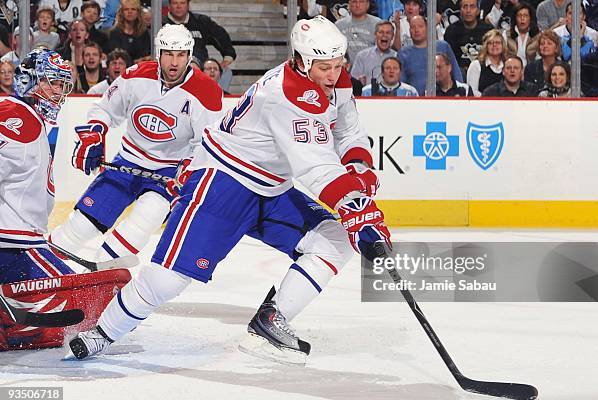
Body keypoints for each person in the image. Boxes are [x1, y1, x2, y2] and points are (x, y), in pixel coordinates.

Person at [66, 15, 391, 365]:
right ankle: (103, 331)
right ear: (301, 60)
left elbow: (347, 130)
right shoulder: (284, 94)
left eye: (338, 64)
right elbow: (314, 165)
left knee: (335, 239)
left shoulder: (334, 79)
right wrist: (355, 204)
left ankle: (272, 319)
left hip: (271, 188)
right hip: (224, 183)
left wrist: (359, 168)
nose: (333, 74)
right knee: (168, 280)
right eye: (324, 67)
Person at [50, 25, 223, 268]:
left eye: (181, 54)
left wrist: (188, 168)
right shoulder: (136, 76)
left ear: (190, 54)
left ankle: (103, 279)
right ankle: (37, 268)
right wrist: (95, 133)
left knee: (141, 223)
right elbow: (105, 109)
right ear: (158, 53)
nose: (174, 62)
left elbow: (206, 142)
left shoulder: (206, 91)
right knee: (80, 226)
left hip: (168, 174)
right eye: (169, 54)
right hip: (127, 162)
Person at [0, 48, 129, 352]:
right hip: (14, 245)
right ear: (28, 80)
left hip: (21, 241)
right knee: (88, 311)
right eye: (52, 84)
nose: (59, 93)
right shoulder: (16, 114)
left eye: (63, 85)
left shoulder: (30, 119)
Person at [399, 15, 463, 96]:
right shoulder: (403, 53)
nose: (416, 30)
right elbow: (401, 84)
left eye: (420, 26)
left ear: (427, 28)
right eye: (413, 27)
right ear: (409, 31)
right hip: (416, 102)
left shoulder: (443, 46)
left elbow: (456, 74)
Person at [163, 0, 236, 70]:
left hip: (201, 71)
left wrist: (227, 58)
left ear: (188, 5)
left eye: (182, 3)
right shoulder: (160, 24)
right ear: (169, 6)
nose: (179, 6)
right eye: (175, 3)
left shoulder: (202, 21)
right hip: (172, 72)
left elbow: (221, 37)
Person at [444, 0, 495, 76]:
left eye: (472, 7)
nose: (468, 10)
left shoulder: (488, 30)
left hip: (484, 70)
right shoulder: (451, 31)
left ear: (478, 10)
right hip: (459, 72)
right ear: (460, 11)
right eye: (465, 7)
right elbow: (449, 58)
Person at [351, 20, 396, 85]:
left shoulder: (397, 57)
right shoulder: (362, 56)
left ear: (392, 36)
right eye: (381, 32)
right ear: (375, 35)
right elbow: (353, 81)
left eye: (388, 33)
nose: (384, 35)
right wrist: (359, 82)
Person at [466, 29, 507, 96]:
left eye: (498, 43)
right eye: (490, 43)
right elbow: (472, 91)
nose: (494, 45)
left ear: (503, 46)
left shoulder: (507, 65)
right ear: (486, 46)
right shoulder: (476, 65)